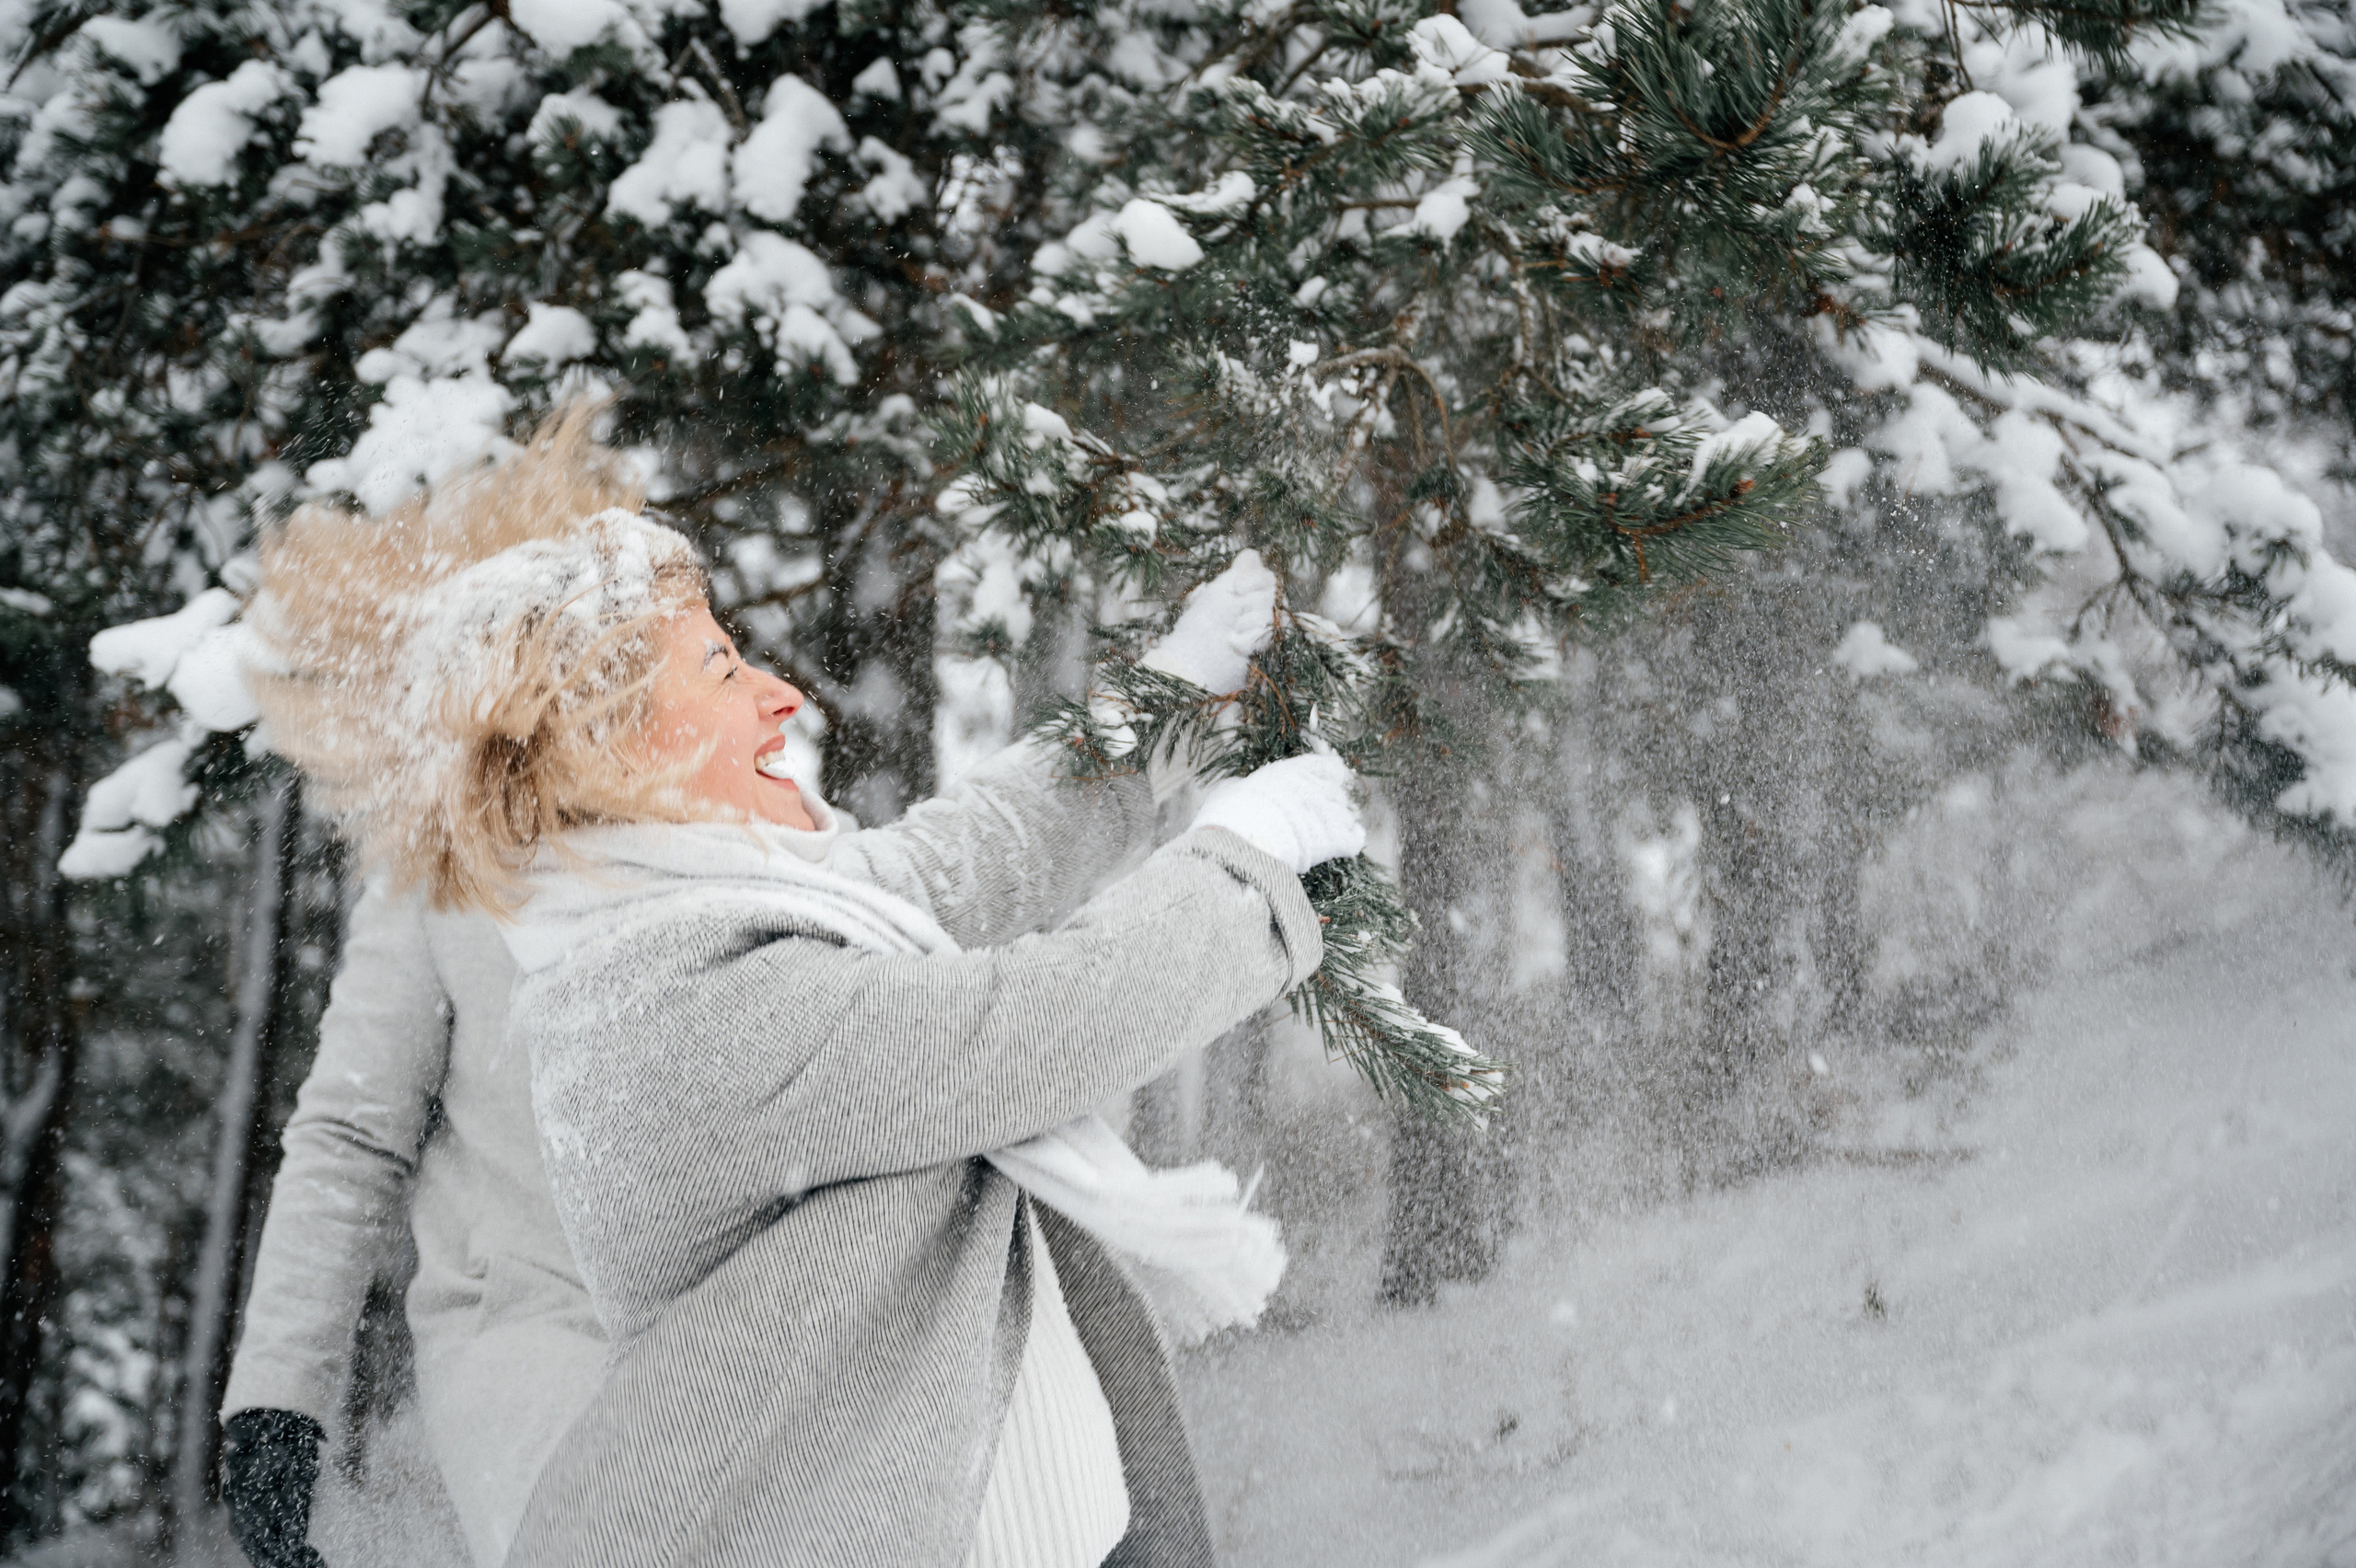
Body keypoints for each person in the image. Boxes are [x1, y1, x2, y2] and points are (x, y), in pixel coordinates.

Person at [237, 407, 1363, 1566]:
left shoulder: (721, 877)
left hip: (802, 1323)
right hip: (573, 1378)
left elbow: (952, 862)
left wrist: (1158, 710)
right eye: (713, 664)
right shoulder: (596, 963)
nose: (782, 697)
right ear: (595, 725)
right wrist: (278, 1397)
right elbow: (351, 1132)